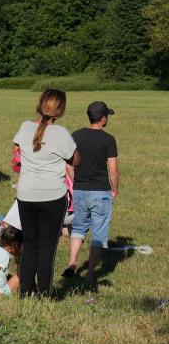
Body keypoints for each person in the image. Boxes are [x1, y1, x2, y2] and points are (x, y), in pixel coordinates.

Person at [12, 88, 79, 297]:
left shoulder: (24, 127)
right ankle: (44, 294)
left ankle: (25, 292)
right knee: (47, 249)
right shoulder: (61, 134)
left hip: (26, 195)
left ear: (39, 105)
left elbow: (17, 153)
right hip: (53, 196)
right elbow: (75, 160)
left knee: (30, 245)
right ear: (60, 110)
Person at [63, 101, 119, 286]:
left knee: (78, 228)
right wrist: (115, 188)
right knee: (99, 234)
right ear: (103, 119)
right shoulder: (108, 140)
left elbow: (69, 164)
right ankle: (89, 276)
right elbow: (113, 170)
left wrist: (75, 181)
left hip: (79, 189)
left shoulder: (76, 136)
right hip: (100, 191)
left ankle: (72, 263)